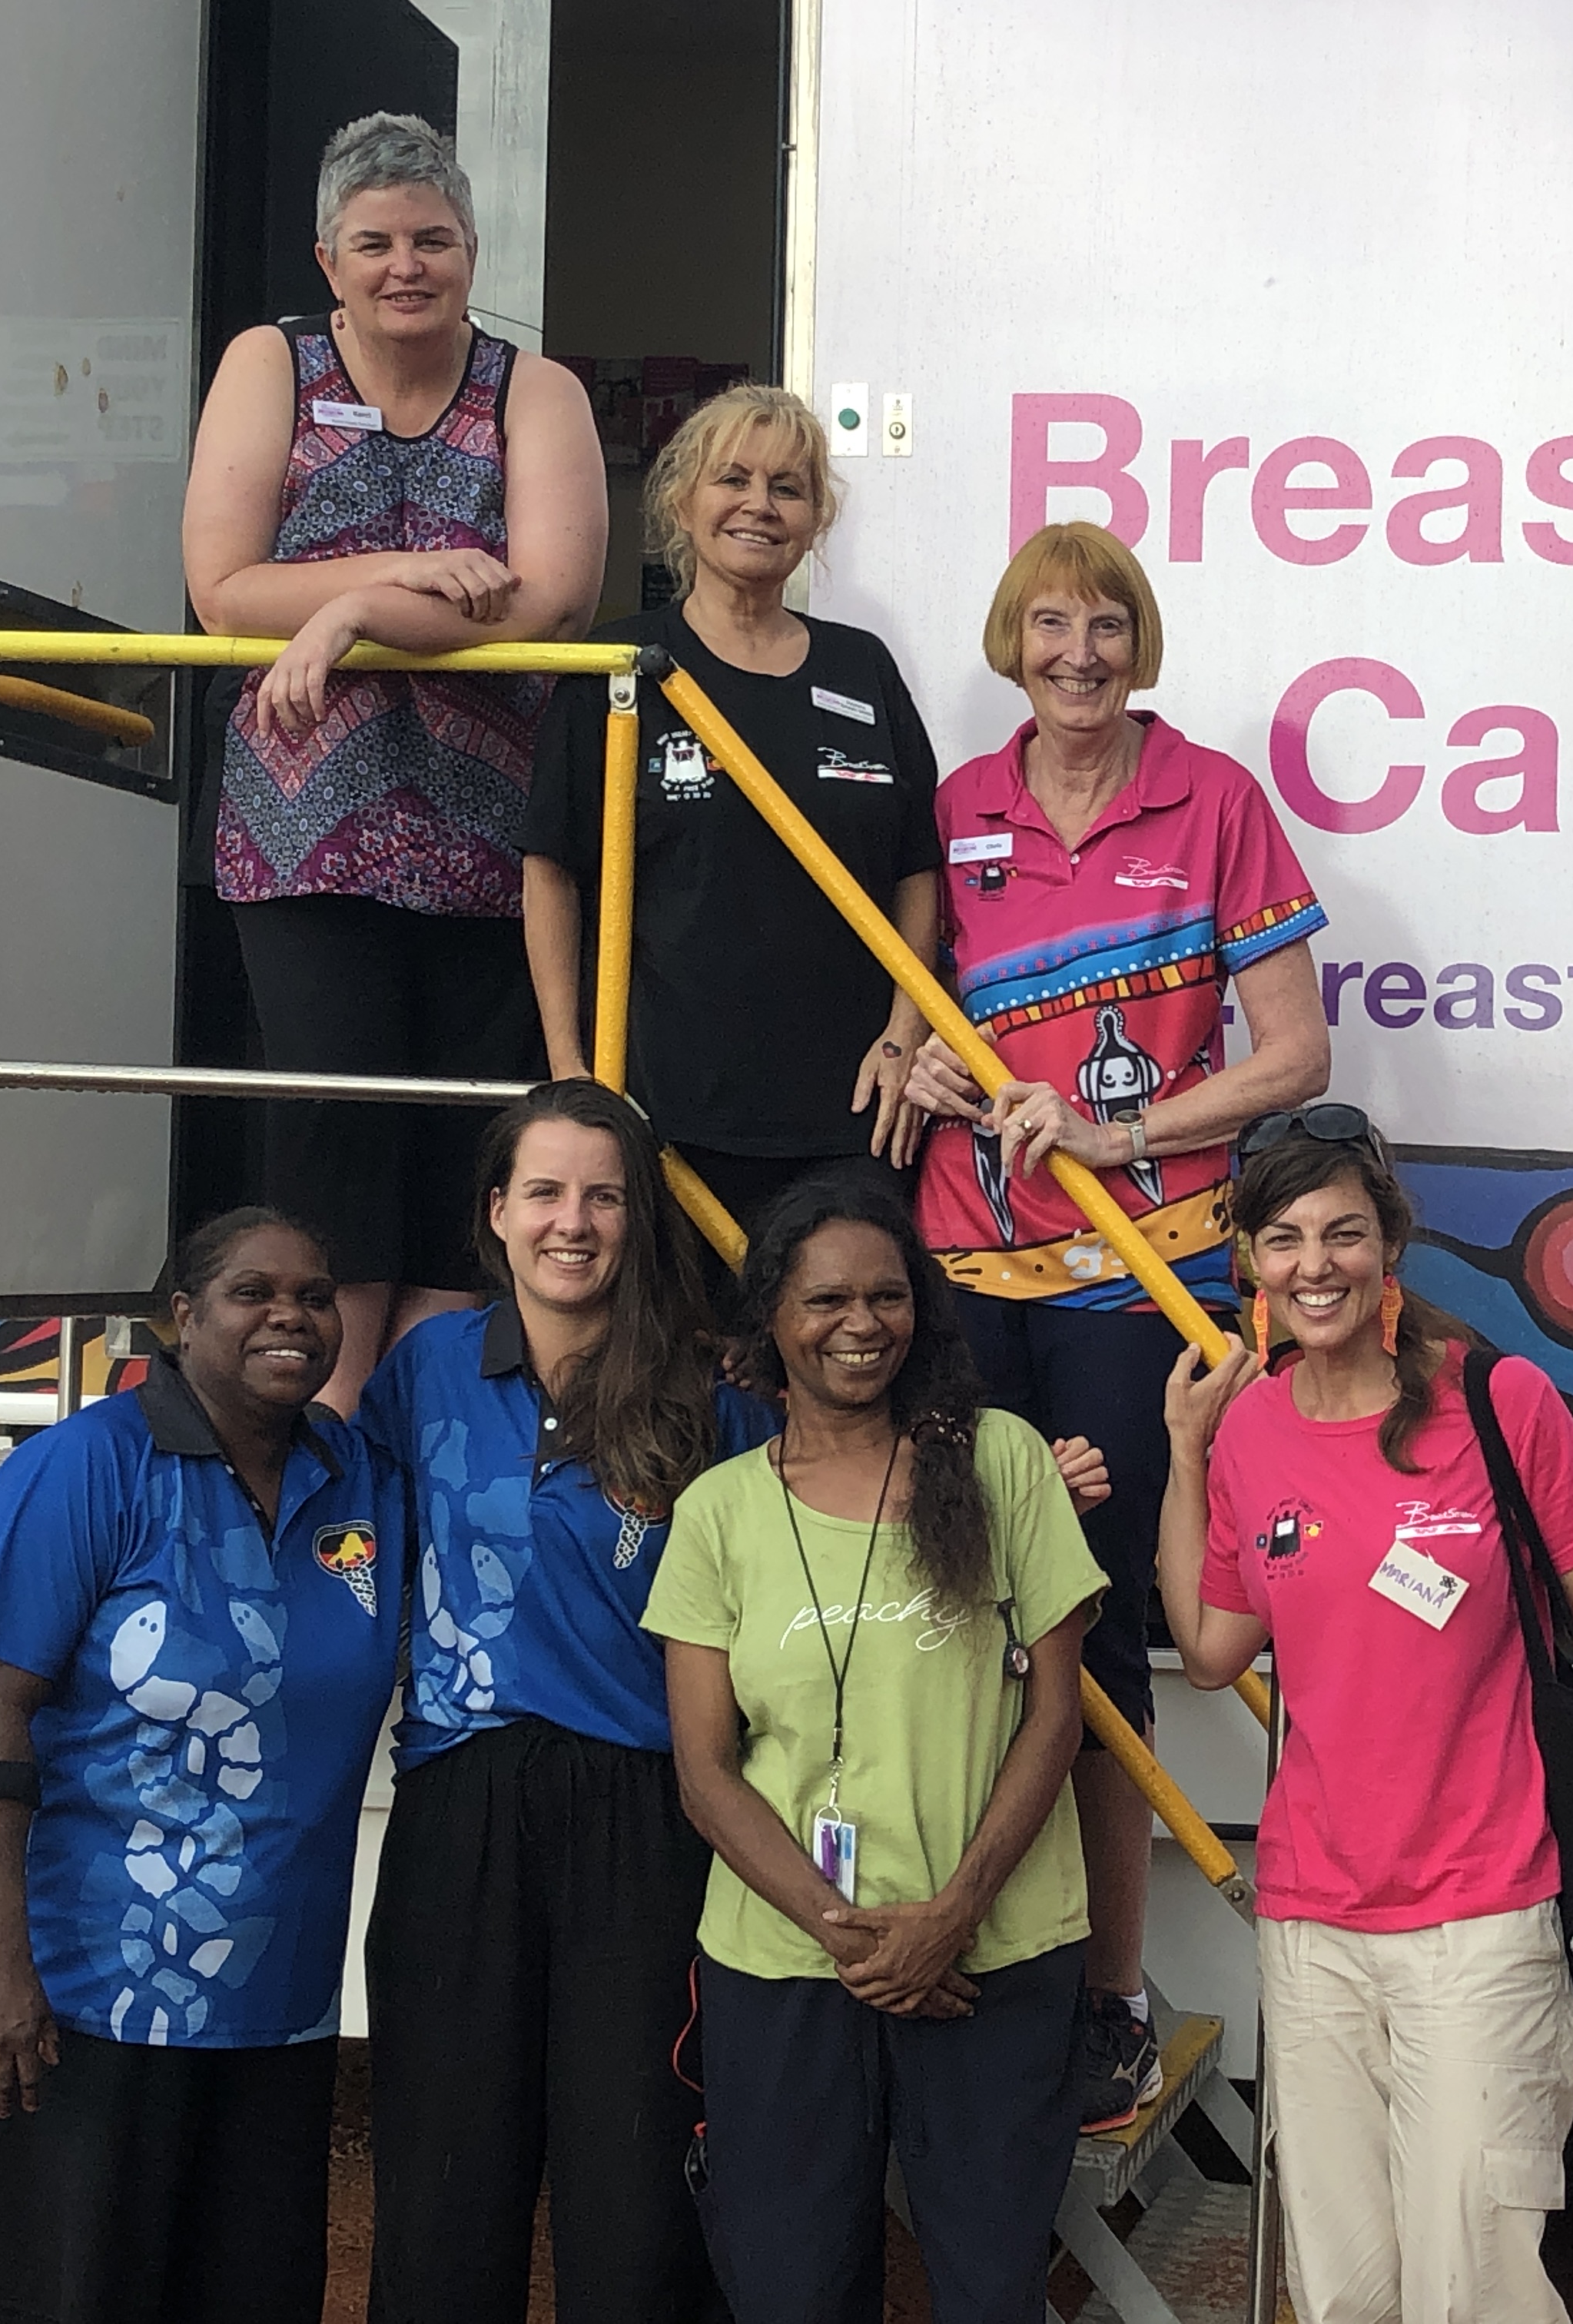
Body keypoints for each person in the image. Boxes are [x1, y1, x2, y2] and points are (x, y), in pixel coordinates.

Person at [897, 520, 1331, 2125]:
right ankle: (970, 1956)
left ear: (1139, 646)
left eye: (1106, 627)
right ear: (1011, 641)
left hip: (1143, 1277)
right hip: (963, 1269)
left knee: (1095, 1634)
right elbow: (910, 1012)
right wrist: (922, 1061)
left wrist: (1122, 1134)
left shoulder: (1212, 796)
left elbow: (1296, 1056)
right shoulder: (959, 807)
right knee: (956, 1613)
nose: (1078, 654)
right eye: (1049, 626)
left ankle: (1110, 1998)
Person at [1156, 1108, 1573, 2324]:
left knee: (1475, 2288)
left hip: (1480, 1924)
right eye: (1282, 1240)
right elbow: (1208, 1648)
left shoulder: (1498, 1401)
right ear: (1251, 1263)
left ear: (1390, 1243)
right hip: (1311, 1927)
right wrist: (1186, 1457)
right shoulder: (1250, 1430)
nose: (1313, 1266)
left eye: (1343, 1233)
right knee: (1343, 2294)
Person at [182, 111, 608, 1413]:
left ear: (473, 250)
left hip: (493, 843)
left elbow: (549, 601)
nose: (405, 263)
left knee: (464, 1159)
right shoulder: (271, 361)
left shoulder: (535, 388)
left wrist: (344, 613)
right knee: (331, 1154)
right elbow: (219, 589)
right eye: (375, 242)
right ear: (328, 257)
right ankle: (327, 1443)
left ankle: (437, 1451)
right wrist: (400, 570)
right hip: (306, 833)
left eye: (432, 238)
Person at [645, 1177, 1108, 2323]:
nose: (861, 1324)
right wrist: (841, 1930)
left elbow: (1058, 1715)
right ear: (769, 1323)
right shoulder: (717, 1513)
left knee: (992, 2288)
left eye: (889, 1297)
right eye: (827, 1300)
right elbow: (705, 1768)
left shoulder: (1000, 1462)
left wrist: (953, 1913)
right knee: (791, 2290)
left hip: (989, 1955)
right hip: (789, 1967)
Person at [353, 1080, 775, 2324]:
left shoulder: (711, 1391)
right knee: (442, 2185)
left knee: (637, 2191)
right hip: (457, 1801)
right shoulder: (425, 1367)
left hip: (644, 1815)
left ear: (639, 1215)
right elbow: (344, 1541)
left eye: (602, 1193)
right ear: (497, 1210)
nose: (572, 1220)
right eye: (544, 1190)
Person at [0, 1210, 407, 2324]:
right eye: (255, 1292)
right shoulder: (88, 1467)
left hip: (278, 2007)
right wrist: (2, 1968)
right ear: (180, 1317)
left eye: (315, 1293)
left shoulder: (363, 1482)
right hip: (88, 2002)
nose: (292, 1316)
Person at [523, 383, 941, 1236]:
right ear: (682, 499)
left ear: (817, 517)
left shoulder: (863, 668)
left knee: (837, 1353)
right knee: (677, 1359)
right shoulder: (617, 663)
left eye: (788, 487)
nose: (759, 505)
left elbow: (915, 870)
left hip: (851, 1113)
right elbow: (552, 872)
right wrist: (575, 1073)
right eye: (733, 479)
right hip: (667, 1112)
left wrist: (904, 1036)